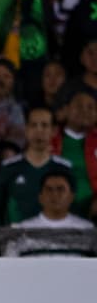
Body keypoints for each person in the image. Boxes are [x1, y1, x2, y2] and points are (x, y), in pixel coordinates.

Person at [0, 107, 73, 225]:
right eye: (33, 125)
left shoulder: (64, 168)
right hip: (17, 239)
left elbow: (71, 208)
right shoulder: (9, 168)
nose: (39, 130)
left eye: (44, 125)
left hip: (54, 238)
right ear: (26, 130)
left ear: (54, 131)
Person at [6, 170, 96, 257]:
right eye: (49, 189)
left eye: (60, 189)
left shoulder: (87, 228)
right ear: (40, 197)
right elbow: (10, 262)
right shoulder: (22, 230)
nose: (55, 194)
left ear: (71, 197)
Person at [52, 89, 97, 219]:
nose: (85, 111)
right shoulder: (50, 139)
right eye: (79, 106)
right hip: (54, 206)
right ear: (65, 110)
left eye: (91, 107)